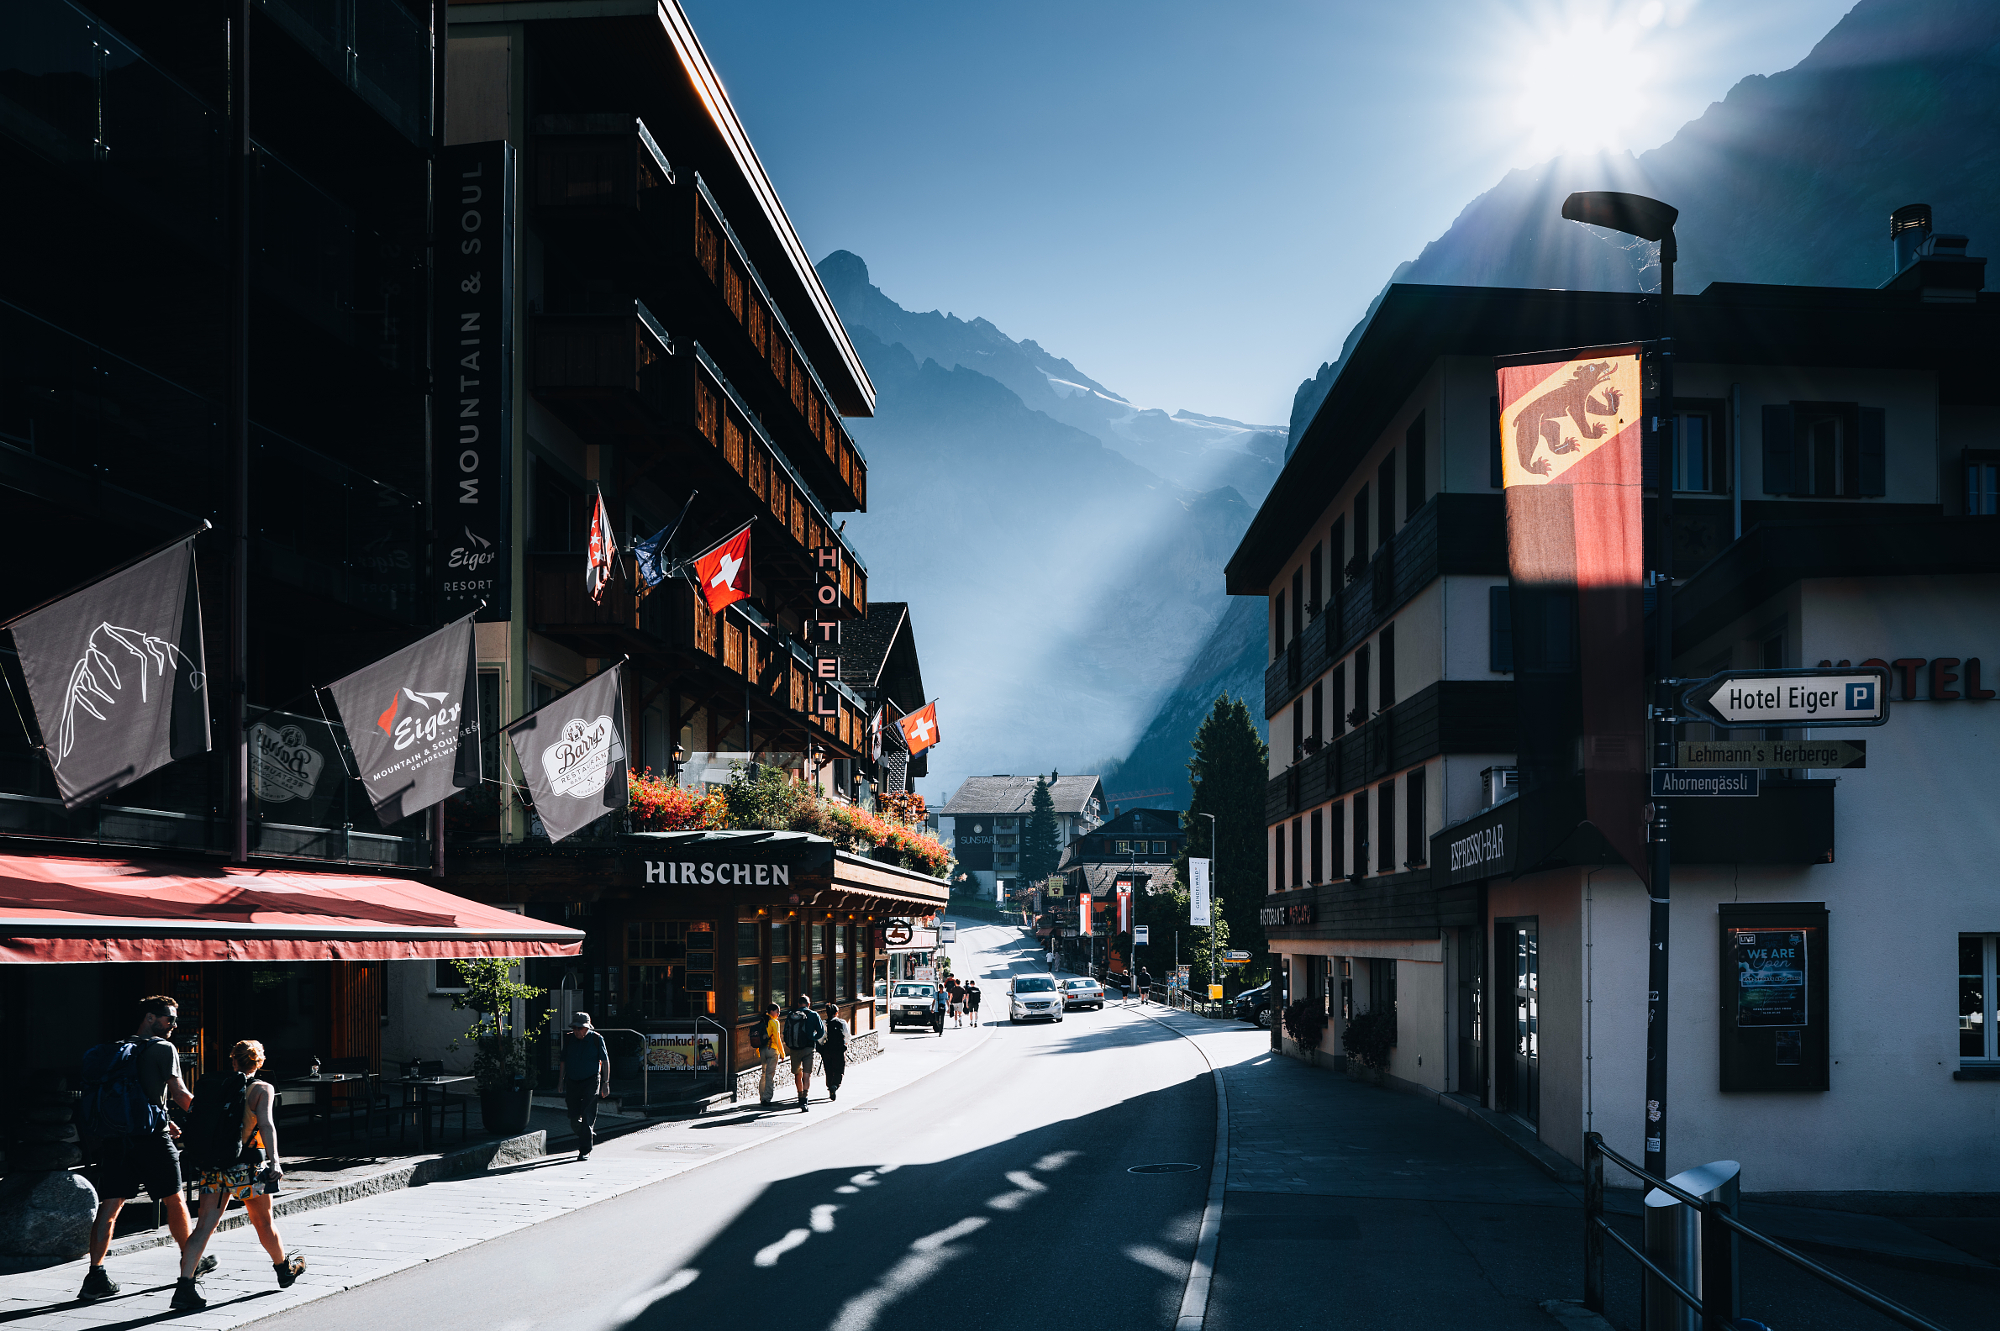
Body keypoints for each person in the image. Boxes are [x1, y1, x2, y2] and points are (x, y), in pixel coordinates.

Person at [77, 996, 213, 1303]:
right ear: (150, 1018)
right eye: (169, 1018)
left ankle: (95, 1276)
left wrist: (167, 1120)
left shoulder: (117, 1049)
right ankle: (189, 1261)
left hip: (116, 1139)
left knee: (110, 1207)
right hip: (152, 1139)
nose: (174, 1025)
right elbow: (179, 1092)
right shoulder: (163, 1048)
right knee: (175, 1200)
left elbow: (141, 1096)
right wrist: (211, 1119)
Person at [172, 1040, 305, 1310]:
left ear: (233, 1061)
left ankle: (184, 1286)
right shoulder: (261, 1089)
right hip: (245, 1169)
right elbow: (266, 1125)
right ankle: (283, 1269)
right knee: (263, 1222)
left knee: (204, 1226)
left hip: (213, 1167)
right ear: (260, 1062)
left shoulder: (215, 1086)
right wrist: (275, 1161)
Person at [556, 1012, 611, 1160]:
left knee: (587, 1114)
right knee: (574, 1118)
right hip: (572, 1081)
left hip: (591, 1081)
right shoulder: (568, 1039)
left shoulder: (596, 1039)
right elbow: (563, 1061)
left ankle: (585, 1150)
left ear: (587, 1028)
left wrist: (606, 1083)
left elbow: (605, 1061)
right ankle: (587, 1134)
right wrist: (561, 1081)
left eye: (580, 1028)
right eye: (575, 1028)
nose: (577, 1031)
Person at [783, 996, 824, 1111]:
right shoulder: (813, 1015)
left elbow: (785, 1032)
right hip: (808, 1048)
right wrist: (812, 1038)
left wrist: (790, 1044)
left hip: (794, 1048)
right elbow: (821, 1032)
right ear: (808, 1004)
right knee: (807, 1074)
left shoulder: (791, 1015)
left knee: (797, 1073)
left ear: (798, 1004)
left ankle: (799, 1094)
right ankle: (805, 1099)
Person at [818, 1003, 849, 1101]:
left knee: (828, 1069)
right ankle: (835, 1085)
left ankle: (829, 1086)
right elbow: (847, 1035)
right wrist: (845, 1044)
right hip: (839, 1050)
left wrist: (822, 1045)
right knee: (839, 1069)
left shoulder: (824, 1023)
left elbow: (820, 1038)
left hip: (827, 1050)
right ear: (837, 1013)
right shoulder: (842, 1022)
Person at [758, 1001, 785, 1106]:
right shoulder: (774, 1022)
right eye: (777, 1011)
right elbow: (777, 1039)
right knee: (770, 1075)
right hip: (772, 1050)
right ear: (771, 1011)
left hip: (762, 1050)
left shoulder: (762, 1021)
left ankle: (762, 1096)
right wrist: (782, 1053)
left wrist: (758, 1051)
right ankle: (767, 1098)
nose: (778, 1014)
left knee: (763, 1074)